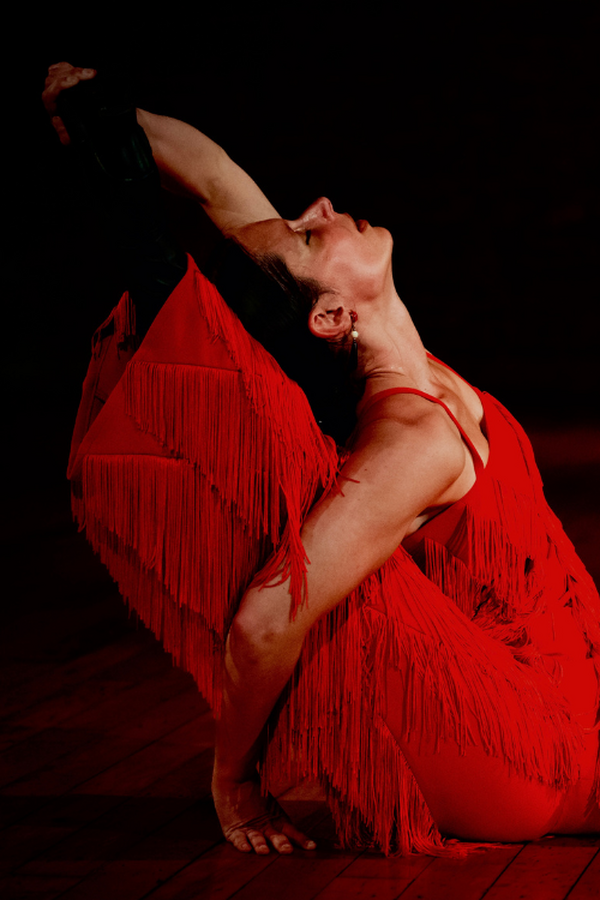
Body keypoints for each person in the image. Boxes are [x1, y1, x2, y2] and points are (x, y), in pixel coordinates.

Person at [44, 63, 600, 858]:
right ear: (334, 314)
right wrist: (233, 780)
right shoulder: (411, 436)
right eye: (310, 233)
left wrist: (92, 107)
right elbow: (266, 620)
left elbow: (213, 179)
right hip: (520, 740)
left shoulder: (415, 371)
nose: (323, 208)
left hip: (565, 679)